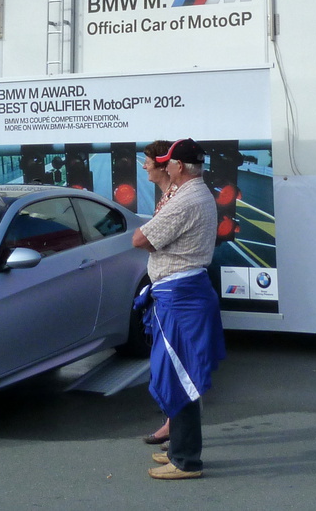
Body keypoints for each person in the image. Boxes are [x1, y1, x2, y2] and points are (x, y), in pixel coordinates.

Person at [132, 138, 226, 480]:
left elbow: (140, 239)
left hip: (180, 298)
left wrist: (148, 237)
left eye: (168, 162)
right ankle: (178, 450)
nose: (162, 166)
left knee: (180, 376)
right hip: (181, 294)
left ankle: (186, 460)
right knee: (178, 373)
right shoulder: (194, 193)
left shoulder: (187, 199)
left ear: (179, 166)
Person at [138, 139, 178, 447]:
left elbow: (145, 240)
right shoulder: (167, 195)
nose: (144, 167)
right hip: (166, 286)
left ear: (164, 166)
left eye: (148, 162)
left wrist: (149, 240)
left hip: (175, 290)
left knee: (174, 364)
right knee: (168, 363)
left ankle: (180, 437)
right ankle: (173, 425)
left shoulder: (177, 199)